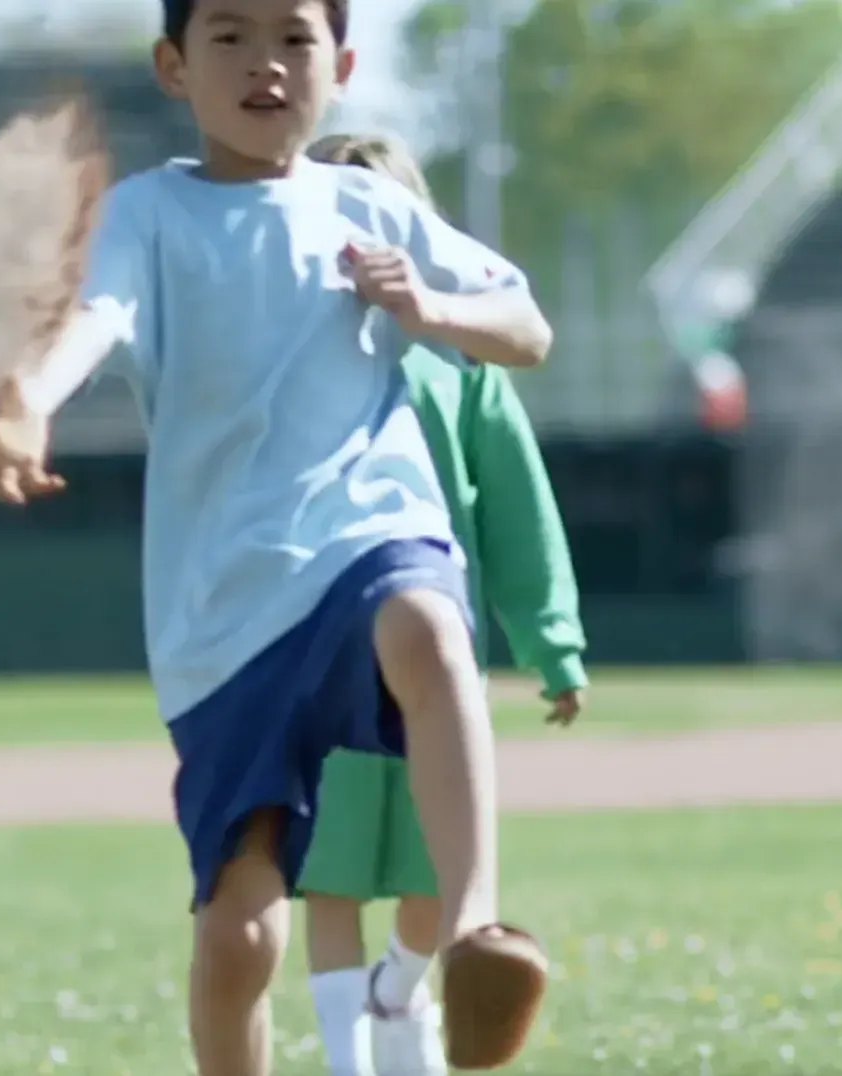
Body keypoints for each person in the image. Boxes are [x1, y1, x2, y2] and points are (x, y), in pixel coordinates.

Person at [0, 1, 553, 1073]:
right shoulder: (149, 215)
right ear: (174, 67)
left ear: (344, 65)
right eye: (230, 36)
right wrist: (26, 398)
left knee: (427, 624)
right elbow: (93, 317)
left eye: (294, 38)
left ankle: (474, 934)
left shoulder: (373, 208)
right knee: (242, 934)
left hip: (368, 533)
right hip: (224, 613)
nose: (265, 63)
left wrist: (428, 309)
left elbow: (526, 325)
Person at [296, 131, 588, 1076]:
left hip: (434, 650)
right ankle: (349, 1056)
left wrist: (554, 643)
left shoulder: (463, 365)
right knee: (329, 866)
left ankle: (400, 990)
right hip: (321, 644)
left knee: (435, 867)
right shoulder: (290, 362)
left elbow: (517, 509)